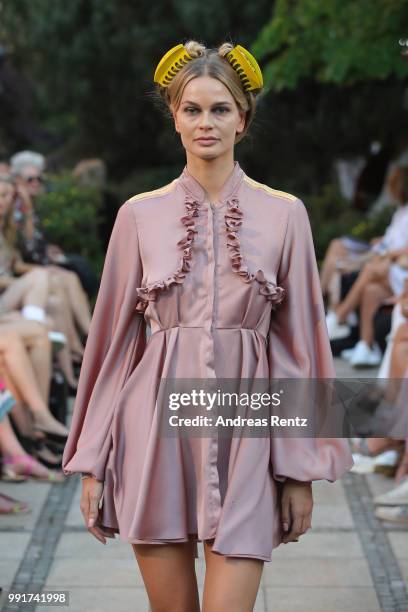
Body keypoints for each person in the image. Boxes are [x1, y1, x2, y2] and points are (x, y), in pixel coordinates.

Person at [62, 40, 353, 612]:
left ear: (243, 119)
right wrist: (92, 460)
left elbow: (303, 349)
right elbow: (111, 347)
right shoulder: (138, 215)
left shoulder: (285, 213)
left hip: (249, 434)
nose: (205, 122)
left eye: (220, 108)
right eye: (191, 109)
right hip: (152, 433)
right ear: (174, 117)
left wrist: (298, 471)